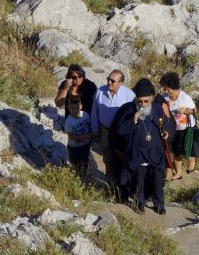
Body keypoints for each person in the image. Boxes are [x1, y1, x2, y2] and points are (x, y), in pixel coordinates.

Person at [116, 78, 170, 215]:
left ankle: (159, 205)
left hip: (154, 152)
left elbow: (165, 126)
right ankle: (139, 203)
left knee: (157, 180)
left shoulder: (157, 108)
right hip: (138, 152)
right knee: (138, 180)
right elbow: (121, 130)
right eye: (140, 101)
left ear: (151, 98)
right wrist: (134, 119)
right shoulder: (129, 110)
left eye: (146, 101)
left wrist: (166, 133)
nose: (143, 104)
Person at [90, 70, 136, 200]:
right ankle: (111, 188)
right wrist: (95, 129)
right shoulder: (100, 92)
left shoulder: (129, 95)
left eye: (112, 81)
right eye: (108, 79)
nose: (109, 82)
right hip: (105, 131)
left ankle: (124, 189)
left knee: (122, 159)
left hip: (120, 133)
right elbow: (95, 111)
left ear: (121, 83)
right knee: (108, 159)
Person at [160, 72, 197, 179]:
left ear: (174, 87)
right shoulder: (164, 97)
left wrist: (185, 110)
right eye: (165, 89)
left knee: (184, 149)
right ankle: (179, 172)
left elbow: (194, 111)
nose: (166, 92)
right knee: (176, 150)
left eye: (168, 89)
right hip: (170, 128)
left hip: (184, 128)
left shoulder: (185, 98)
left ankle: (191, 160)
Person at [64, 98, 94, 179]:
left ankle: (83, 177)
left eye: (76, 107)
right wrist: (84, 136)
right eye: (72, 108)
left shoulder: (85, 115)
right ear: (68, 108)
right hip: (74, 146)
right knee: (75, 164)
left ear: (81, 106)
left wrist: (91, 135)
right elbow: (70, 136)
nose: (74, 110)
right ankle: (76, 178)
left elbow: (89, 124)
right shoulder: (69, 121)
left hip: (85, 144)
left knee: (85, 161)